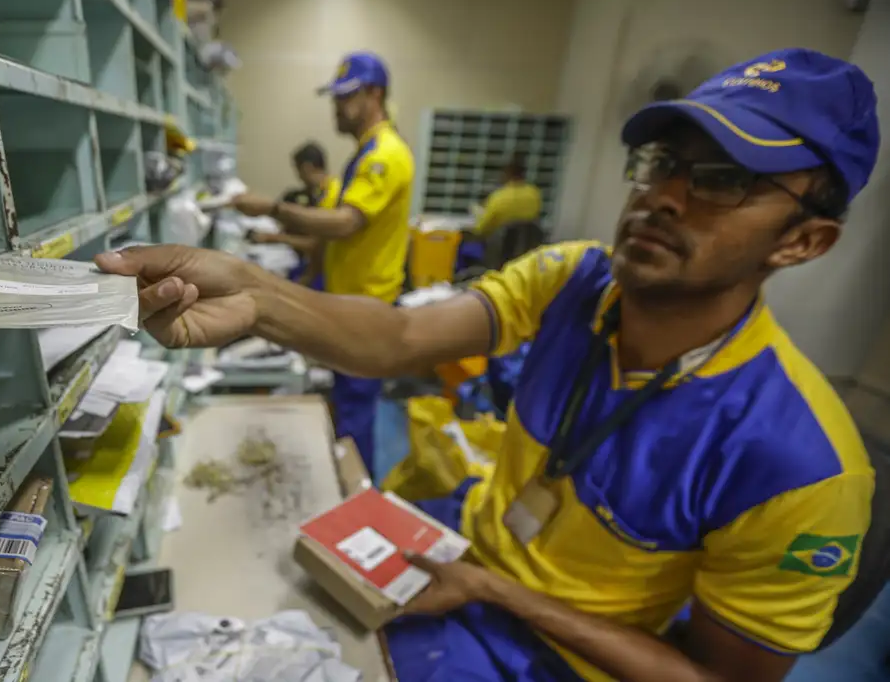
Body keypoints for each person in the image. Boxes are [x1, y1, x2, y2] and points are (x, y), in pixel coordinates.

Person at [96, 47, 879, 682]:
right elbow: (400, 341)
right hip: (468, 548)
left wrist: (496, 590)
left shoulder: (801, 463)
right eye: (661, 161)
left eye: (723, 181)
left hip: (563, 650)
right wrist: (259, 296)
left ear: (802, 241)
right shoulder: (577, 279)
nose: (663, 197)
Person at [229, 51, 415, 474]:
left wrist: (272, 209)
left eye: (345, 97)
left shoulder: (386, 155)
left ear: (375, 94)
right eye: (334, 98)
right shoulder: (365, 152)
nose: (336, 107)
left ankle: (359, 501)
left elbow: (346, 223)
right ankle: (352, 486)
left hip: (368, 306)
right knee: (347, 402)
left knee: (356, 411)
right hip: (350, 299)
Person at [252, 141, 340, 290]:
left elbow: (316, 245)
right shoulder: (323, 192)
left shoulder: (330, 196)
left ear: (307, 168)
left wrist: (273, 238)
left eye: (298, 171)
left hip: (327, 271)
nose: (299, 177)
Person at [475, 154, 544, 237]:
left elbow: (483, 227)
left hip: (500, 245)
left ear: (507, 175)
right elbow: (535, 216)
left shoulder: (499, 196)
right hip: (528, 242)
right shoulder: (534, 192)